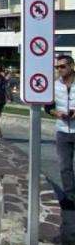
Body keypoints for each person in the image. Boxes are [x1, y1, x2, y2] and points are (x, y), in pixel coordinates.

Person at [44, 54, 75, 209]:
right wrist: (58, 114)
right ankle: (70, 198)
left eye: (62, 66)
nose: (59, 70)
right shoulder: (55, 86)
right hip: (62, 130)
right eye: (57, 67)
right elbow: (48, 108)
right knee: (65, 167)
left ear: (71, 66)